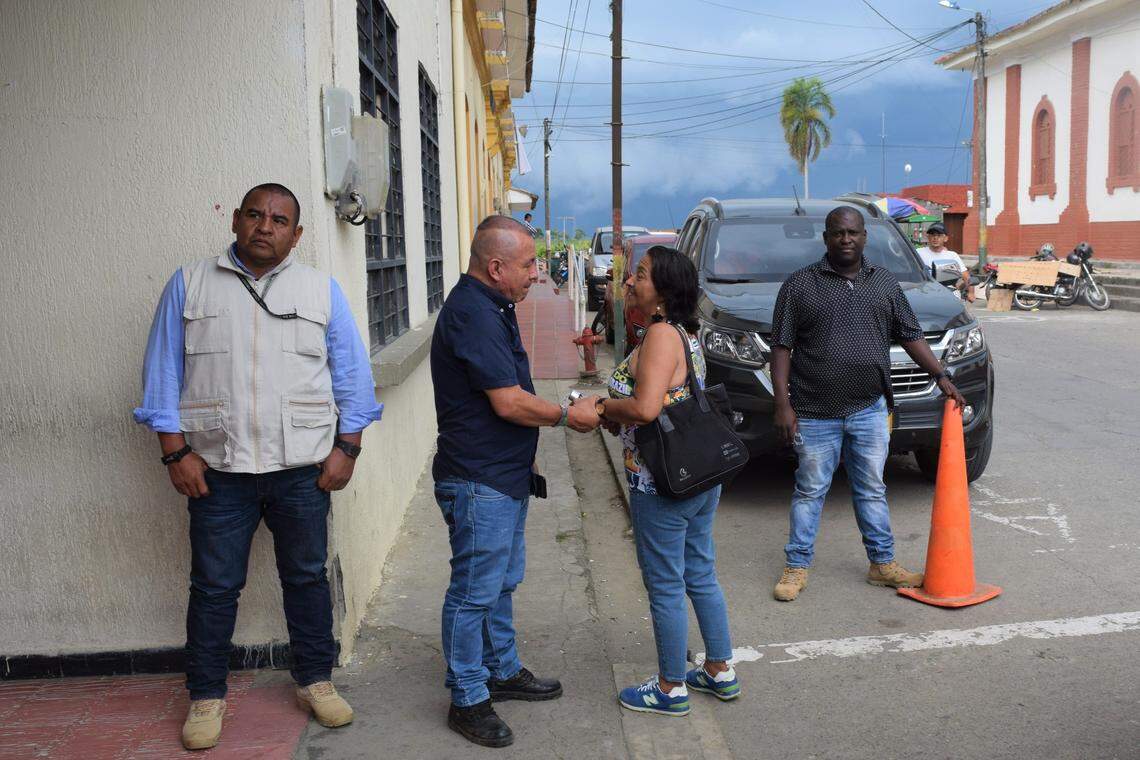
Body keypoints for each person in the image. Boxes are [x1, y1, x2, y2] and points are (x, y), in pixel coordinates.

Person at [133, 183, 382, 750]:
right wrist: (175, 452)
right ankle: (206, 696)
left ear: (296, 234)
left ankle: (315, 682)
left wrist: (348, 448)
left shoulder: (320, 290)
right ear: (236, 221)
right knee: (215, 587)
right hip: (216, 471)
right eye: (254, 215)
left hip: (302, 471)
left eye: (279, 219)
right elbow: (162, 375)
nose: (264, 226)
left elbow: (352, 377)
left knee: (306, 579)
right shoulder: (190, 285)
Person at [430, 214, 600, 748]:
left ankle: (501, 669)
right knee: (474, 592)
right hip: (478, 478)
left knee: (501, 583)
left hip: (502, 475)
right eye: (528, 264)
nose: (537, 272)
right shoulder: (473, 315)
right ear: (495, 265)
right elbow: (507, 402)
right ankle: (468, 696)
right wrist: (566, 415)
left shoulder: (493, 305)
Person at [769, 206, 966, 602]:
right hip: (813, 410)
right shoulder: (800, 285)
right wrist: (782, 403)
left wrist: (941, 376)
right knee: (810, 491)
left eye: (853, 233)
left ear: (864, 237)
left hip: (869, 408)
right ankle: (797, 565)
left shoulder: (884, 284)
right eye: (838, 233)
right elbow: (782, 346)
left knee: (872, 488)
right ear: (826, 238)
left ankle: (882, 563)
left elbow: (911, 336)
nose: (846, 239)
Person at [584, 246, 739, 717]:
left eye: (642, 275)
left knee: (667, 584)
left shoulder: (659, 336)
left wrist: (601, 408)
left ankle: (671, 687)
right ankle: (718, 669)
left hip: (662, 482)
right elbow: (666, 401)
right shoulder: (685, 332)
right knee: (699, 571)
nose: (630, 281)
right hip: (698, 474)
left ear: (664, 292)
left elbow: (648, 408)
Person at [915, 222, 973, 302]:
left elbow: (966, 276)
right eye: (932, 235)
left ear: (945, 238)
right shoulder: (918, 253)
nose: (935, 238)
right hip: (925, 293)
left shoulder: (952, 255)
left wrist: (971, 292)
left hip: (949, 293)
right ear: (928, 237)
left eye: (939, 235)